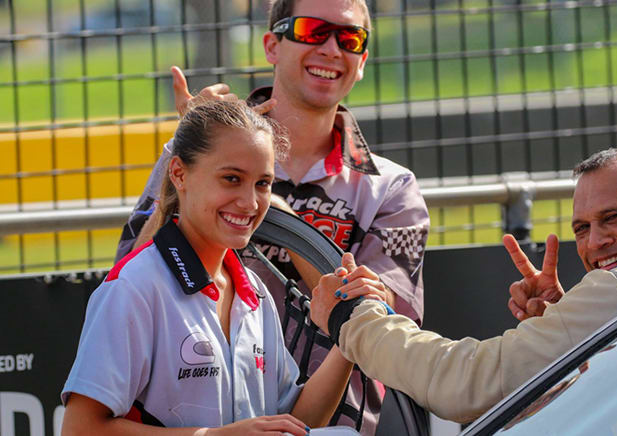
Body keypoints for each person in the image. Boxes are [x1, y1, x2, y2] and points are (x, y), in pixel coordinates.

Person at [115, 1, 429, 433]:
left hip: (331, 426)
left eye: (350, 38)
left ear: (362, 62)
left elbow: (388, 320)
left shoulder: (391, 188)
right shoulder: (193, 154)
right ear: (271, 45)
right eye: (312, 31)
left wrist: (284, 223)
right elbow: (126, 279)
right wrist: (188, 156)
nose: (333, 49)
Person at [308, 148, 617, 423]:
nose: (596, 241)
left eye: (614, 217)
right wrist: (570, 328)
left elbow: (469, 384)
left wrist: (352, 318)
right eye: (582, 228)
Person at [61, 101, 356, 435]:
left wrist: (349, 338)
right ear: (179, 174)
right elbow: (79, 429)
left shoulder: (255, 293)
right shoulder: (135, 287)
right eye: (231, 179)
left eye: (263, 183)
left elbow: (296, 424)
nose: (250, 202)